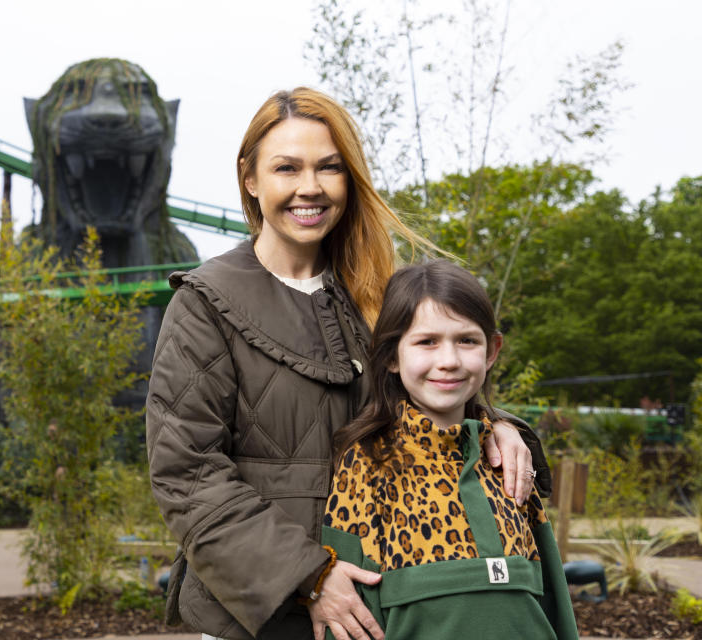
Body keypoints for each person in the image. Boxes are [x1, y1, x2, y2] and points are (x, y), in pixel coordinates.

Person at [146, 87, 549, 640]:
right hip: (265, 613)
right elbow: (187, 473)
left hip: (387, 599)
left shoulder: (380, 292)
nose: (309, 187)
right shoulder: (204, 304)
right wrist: (309, 576)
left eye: (329, 168)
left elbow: (436, 391)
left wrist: (498, 425)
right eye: (286, 167)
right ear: (250, 179)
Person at [322, 260, 576, 640]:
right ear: (391, 355)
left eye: (467, 340)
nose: (449, 361)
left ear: (492, 351)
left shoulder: (509, 460)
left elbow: (552, 600)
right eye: (427, 342)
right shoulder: (367, 461)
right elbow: (349, 616)